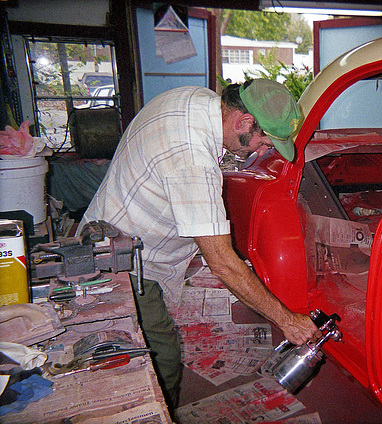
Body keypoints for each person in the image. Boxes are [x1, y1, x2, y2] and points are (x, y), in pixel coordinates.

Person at [78, 79, 321, 408]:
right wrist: (287, 320)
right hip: (127, 264)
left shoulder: (196, 98)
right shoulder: (192, 160)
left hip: (111, 230)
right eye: (265, 143)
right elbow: (222, 263)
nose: (263, 153)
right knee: (160, 358)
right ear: (244, 122)